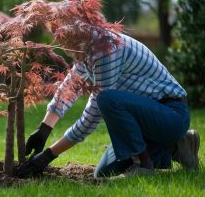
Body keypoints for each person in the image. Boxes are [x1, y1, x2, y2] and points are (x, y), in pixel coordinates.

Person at [16, 32, 200, 178]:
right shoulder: (86, 48)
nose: (62, 45)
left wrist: (48, 155)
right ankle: (178, 145)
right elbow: (70, 87)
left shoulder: (107, 50)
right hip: (146, 123)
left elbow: (92, 115)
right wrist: (44, 130)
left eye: (63, 39)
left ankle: (143, 164)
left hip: (171, 114)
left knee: (107, 99)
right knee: (105, 172)